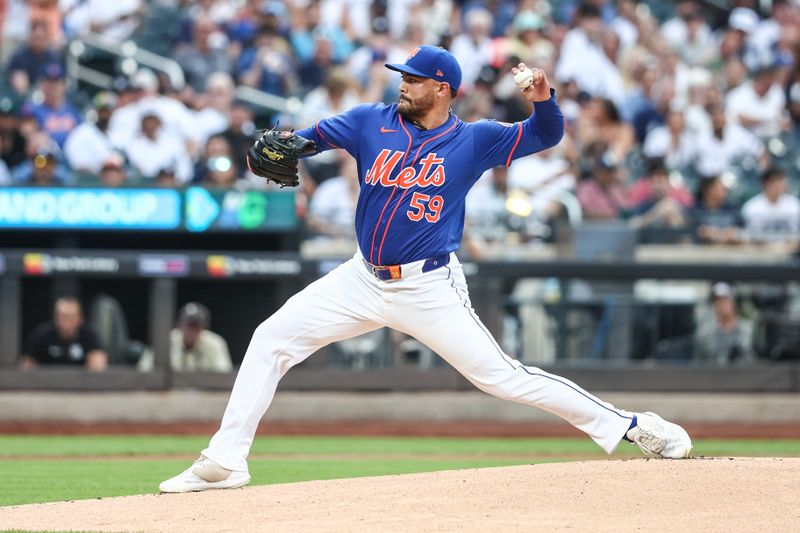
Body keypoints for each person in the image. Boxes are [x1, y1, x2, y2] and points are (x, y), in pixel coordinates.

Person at [160, 46, 692, 494]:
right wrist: (288, 144)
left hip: (429, 285)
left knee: (503, 378)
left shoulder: (475, 139)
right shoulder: (372, 120)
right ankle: (226, 460)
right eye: (403, 77)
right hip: (361, 278)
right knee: (270, 337)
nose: (403, 85)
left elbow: (545, 135)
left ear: (442, 89)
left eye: (414, 79)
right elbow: (310, 138)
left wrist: (543, 100)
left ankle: (630, 425)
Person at [138, 302, 232, 373]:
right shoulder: (165, 341)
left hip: (205, 394)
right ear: (179, 326)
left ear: (204, 328)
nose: (191, 331)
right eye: (188, 326)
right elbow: (144, 371)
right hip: (170, 394)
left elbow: (224, 374)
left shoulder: (215, 343)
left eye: (196, 326)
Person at [20, 297, 108, 371]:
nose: (67, 322)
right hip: (47, 387)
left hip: (81, 387)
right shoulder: (42, 334)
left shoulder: (89, 335)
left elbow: (98, 367)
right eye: (64, 316)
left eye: (72, 317)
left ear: (80, 318)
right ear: (56, 318)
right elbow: (27, 366)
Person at [693, 282, 755, 365]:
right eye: (717, 300)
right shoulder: (705, 334)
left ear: (733, 300)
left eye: (725, 298)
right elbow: (698, 364)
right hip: (715, 376)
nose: (722, 303)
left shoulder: (749, 328)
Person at [741, 167, 800, 243]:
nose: (778, 186)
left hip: (791, 251)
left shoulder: (795, 205)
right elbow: (747, 238)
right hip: (759, 252)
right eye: (775, 182)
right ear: (765, 184)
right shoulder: (751, 207)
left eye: (781, 181)